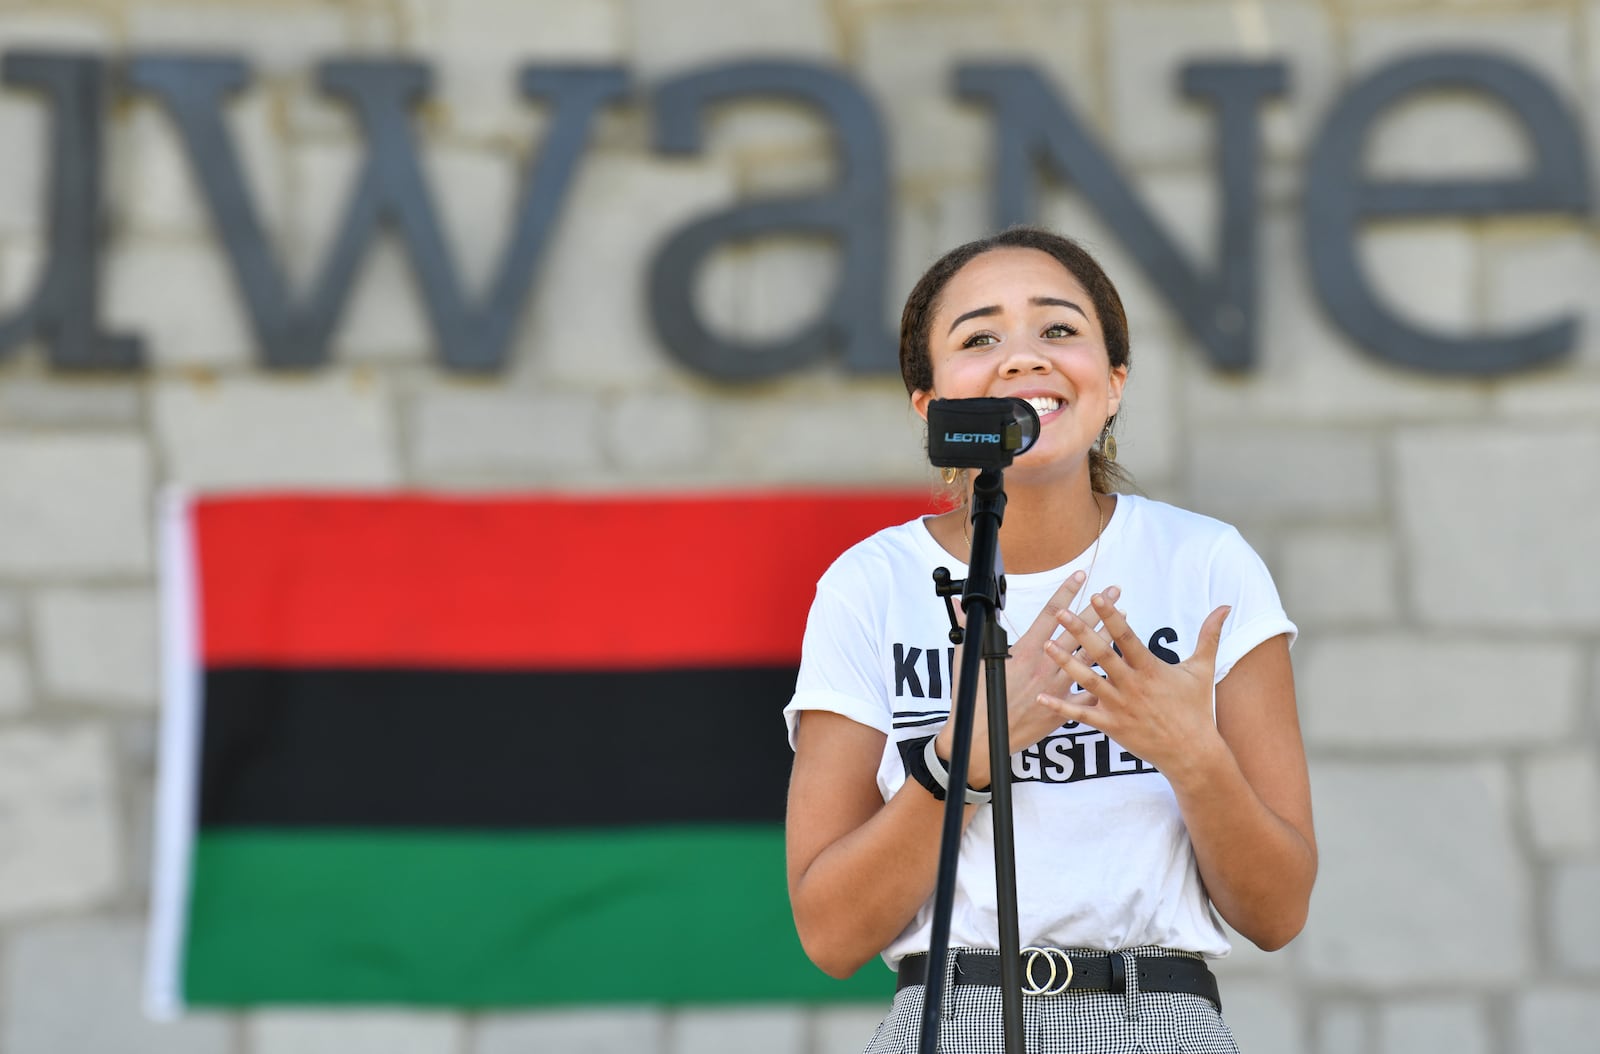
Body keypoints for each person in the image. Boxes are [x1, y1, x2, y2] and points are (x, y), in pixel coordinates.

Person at [783, 226, 1316, 1053]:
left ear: (1112, 384)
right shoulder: (871, 583)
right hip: (950, 1015)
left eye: (1059, 330)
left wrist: (1190, 753)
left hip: (1159, 1018)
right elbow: (830, 934)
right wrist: (964, 756)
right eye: (979, 337)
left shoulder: (1206, 562)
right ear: (929, 405)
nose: (1023, 356)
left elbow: (1279, 913)